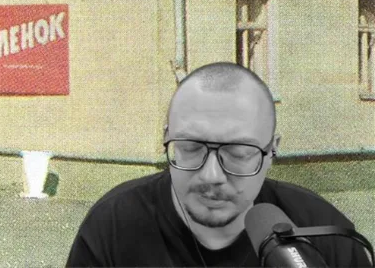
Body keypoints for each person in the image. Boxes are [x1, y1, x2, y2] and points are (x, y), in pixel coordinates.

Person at [67, 62, 371, 267]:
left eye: (238, 153)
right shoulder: (115, 225)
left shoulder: (326, 234)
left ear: (272, 150)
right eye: (190, 148)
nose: (211, 175)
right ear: (167, 138)